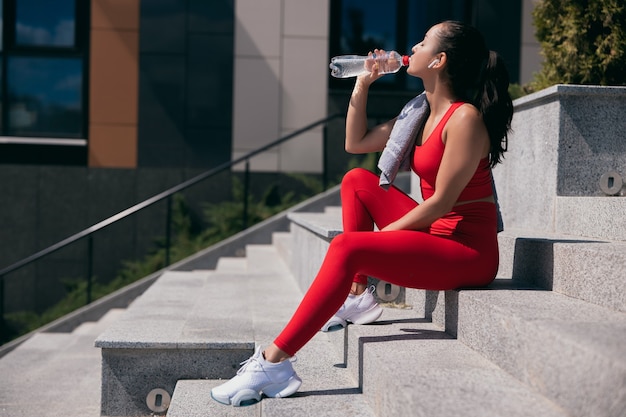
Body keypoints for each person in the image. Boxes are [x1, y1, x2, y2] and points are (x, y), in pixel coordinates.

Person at [211, 20, 513, 407]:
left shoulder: (465, 119)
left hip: (468, 251)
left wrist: (373, 241)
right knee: (356, 179)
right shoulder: (419, 113)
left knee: (348, 248)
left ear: (438, 61)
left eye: (422, 43)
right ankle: (356, 297)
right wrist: (363, 82)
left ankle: (275, 362)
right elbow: (355, 142)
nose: (412, 47)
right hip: (437, 231)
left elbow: (441, 204)